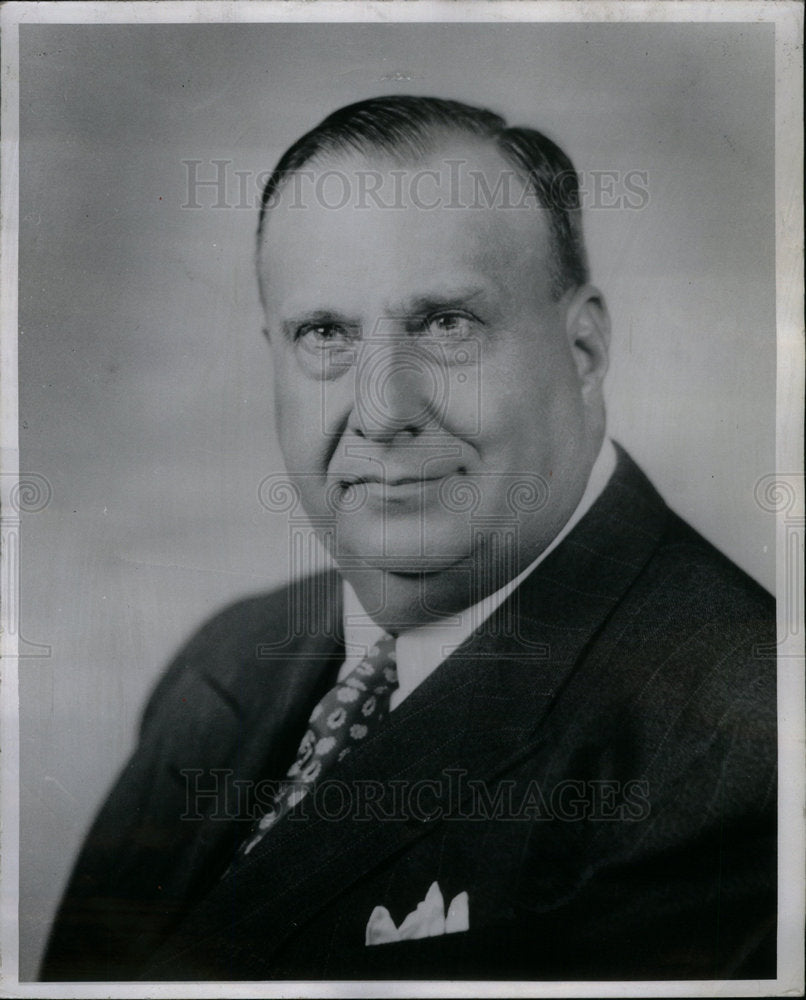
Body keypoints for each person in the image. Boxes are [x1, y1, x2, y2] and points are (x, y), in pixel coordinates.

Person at [41, 96, 776, 982]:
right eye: (325, 334)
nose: (384, 412)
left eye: (445, 324)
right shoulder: (224, 664)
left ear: (582, 347)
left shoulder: (744, 739)